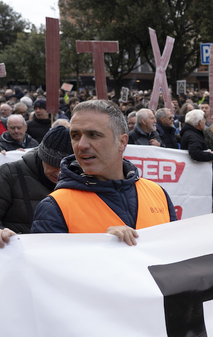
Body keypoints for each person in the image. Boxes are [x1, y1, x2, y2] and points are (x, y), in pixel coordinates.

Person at [31, 100, 176, 245]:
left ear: (121, 142)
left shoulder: (157, 193)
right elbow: (46, 266)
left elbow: (175, 254)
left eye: (93, 135)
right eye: (75, 136)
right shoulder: (55, 207)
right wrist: (101, 245)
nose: (81, 145)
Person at [0, 125, 74, 234]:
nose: (59, 173)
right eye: (53, 165)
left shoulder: (82, 180)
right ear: (42, 157)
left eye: (65, 167)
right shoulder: (9, 174)